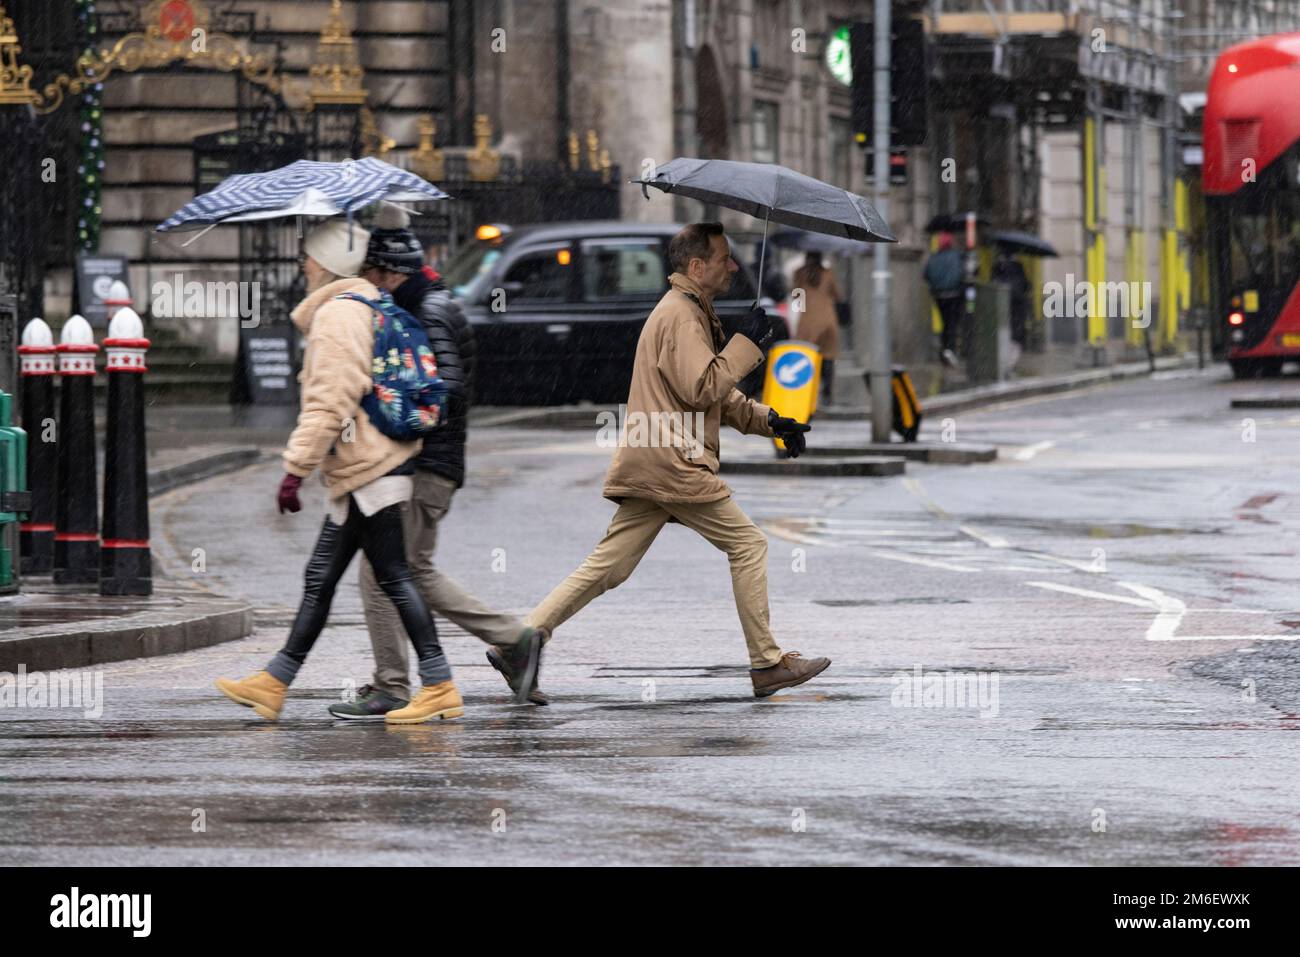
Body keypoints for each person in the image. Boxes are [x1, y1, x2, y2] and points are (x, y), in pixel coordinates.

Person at [518, 222, 832, 701]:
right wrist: (747, 345)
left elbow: (714, 398)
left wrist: (773, 421)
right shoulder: (682, 315)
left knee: (609, 566)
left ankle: (523, 641)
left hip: (657, 457)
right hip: (674, 460)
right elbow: (702, 387)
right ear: (696, 266)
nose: (732, 267)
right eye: (725, 258)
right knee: (748, 545)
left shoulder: (691, 312)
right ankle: (767, 664)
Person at [214, 219, 463, 725]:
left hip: (373, 469)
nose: (302, 264)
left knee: (393, 574)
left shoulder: (338, 316)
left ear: (325, 265)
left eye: (307, 256)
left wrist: (294, 469)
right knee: (320, 576)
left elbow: (330, 403)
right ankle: (274, 682)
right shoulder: (361, 307)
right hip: (361, 471)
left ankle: (439, 684)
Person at [327, 205, 544, 718]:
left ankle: (393, 685)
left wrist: (394, 419)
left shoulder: (426, 310)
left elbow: (443, 387)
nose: (368, 287)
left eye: (369, 277)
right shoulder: (428, 301)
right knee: (411, 570)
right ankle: (514, 642)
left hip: (425, 464)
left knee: (383, 570)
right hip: (434, 463)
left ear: (386, 271)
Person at [791, 252, 844, 405]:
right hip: (828, 320)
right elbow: (837, 295)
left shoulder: (799, 274)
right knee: (827, 358)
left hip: (807, 321)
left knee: (806, 357)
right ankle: (827, 394)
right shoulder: (828, 273)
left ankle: (807, 393)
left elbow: (796, 297)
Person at [923, 232, 965, 368]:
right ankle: (949, 350)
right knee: (952, 323)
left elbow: (926, 275)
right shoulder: (957, 256)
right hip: (954, 294)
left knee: (945, 323)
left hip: (939, 296)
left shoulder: (934, 257)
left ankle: (944, 350)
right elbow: (962, 273)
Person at [991, 245, 1031, 356]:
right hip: (1017, 298)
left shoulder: (997, 266)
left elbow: (992, 282)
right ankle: (1017, 344)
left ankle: (1005, 344)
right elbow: (1025, 283)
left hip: (1002, 298)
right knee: (1017, 322)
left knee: (1003, 323)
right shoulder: (1018, 266)